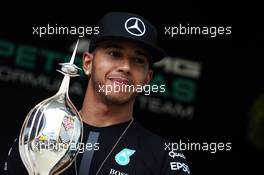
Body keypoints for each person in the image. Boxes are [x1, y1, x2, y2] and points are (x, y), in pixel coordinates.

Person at [4, 12, 190, 175]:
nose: (126, 67)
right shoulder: (41, 132)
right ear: (87, 63)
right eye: (115, 54)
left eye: (138, 60)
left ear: (147, 78)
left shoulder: (164, 155)